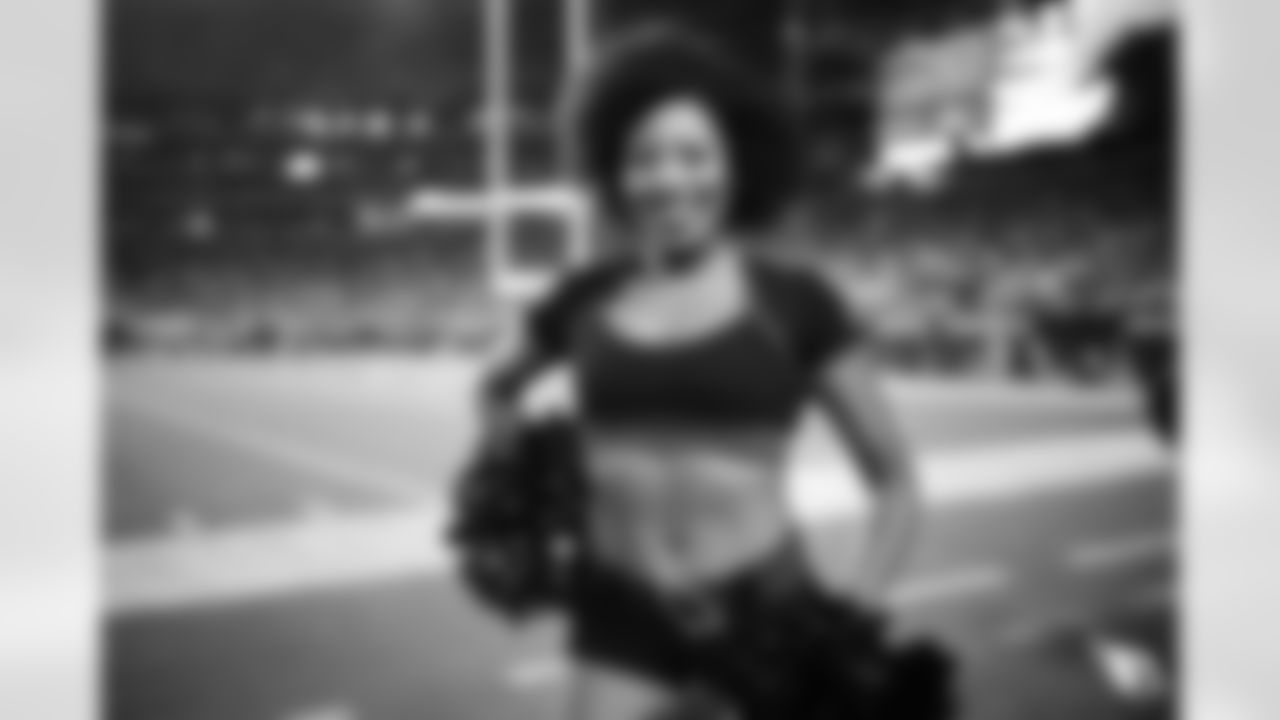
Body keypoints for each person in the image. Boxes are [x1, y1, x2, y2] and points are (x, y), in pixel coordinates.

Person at [473, 26, 926, 720]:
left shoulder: (797, 303)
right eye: (645, 159)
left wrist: (851, 622)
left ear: (736, 166)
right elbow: (495, 386)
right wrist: (514, 494)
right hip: (619, 616)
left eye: (694, 155)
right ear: (616, 175)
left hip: (765, 614)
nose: (670, 180)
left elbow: (895, 482)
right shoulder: (583, 297)